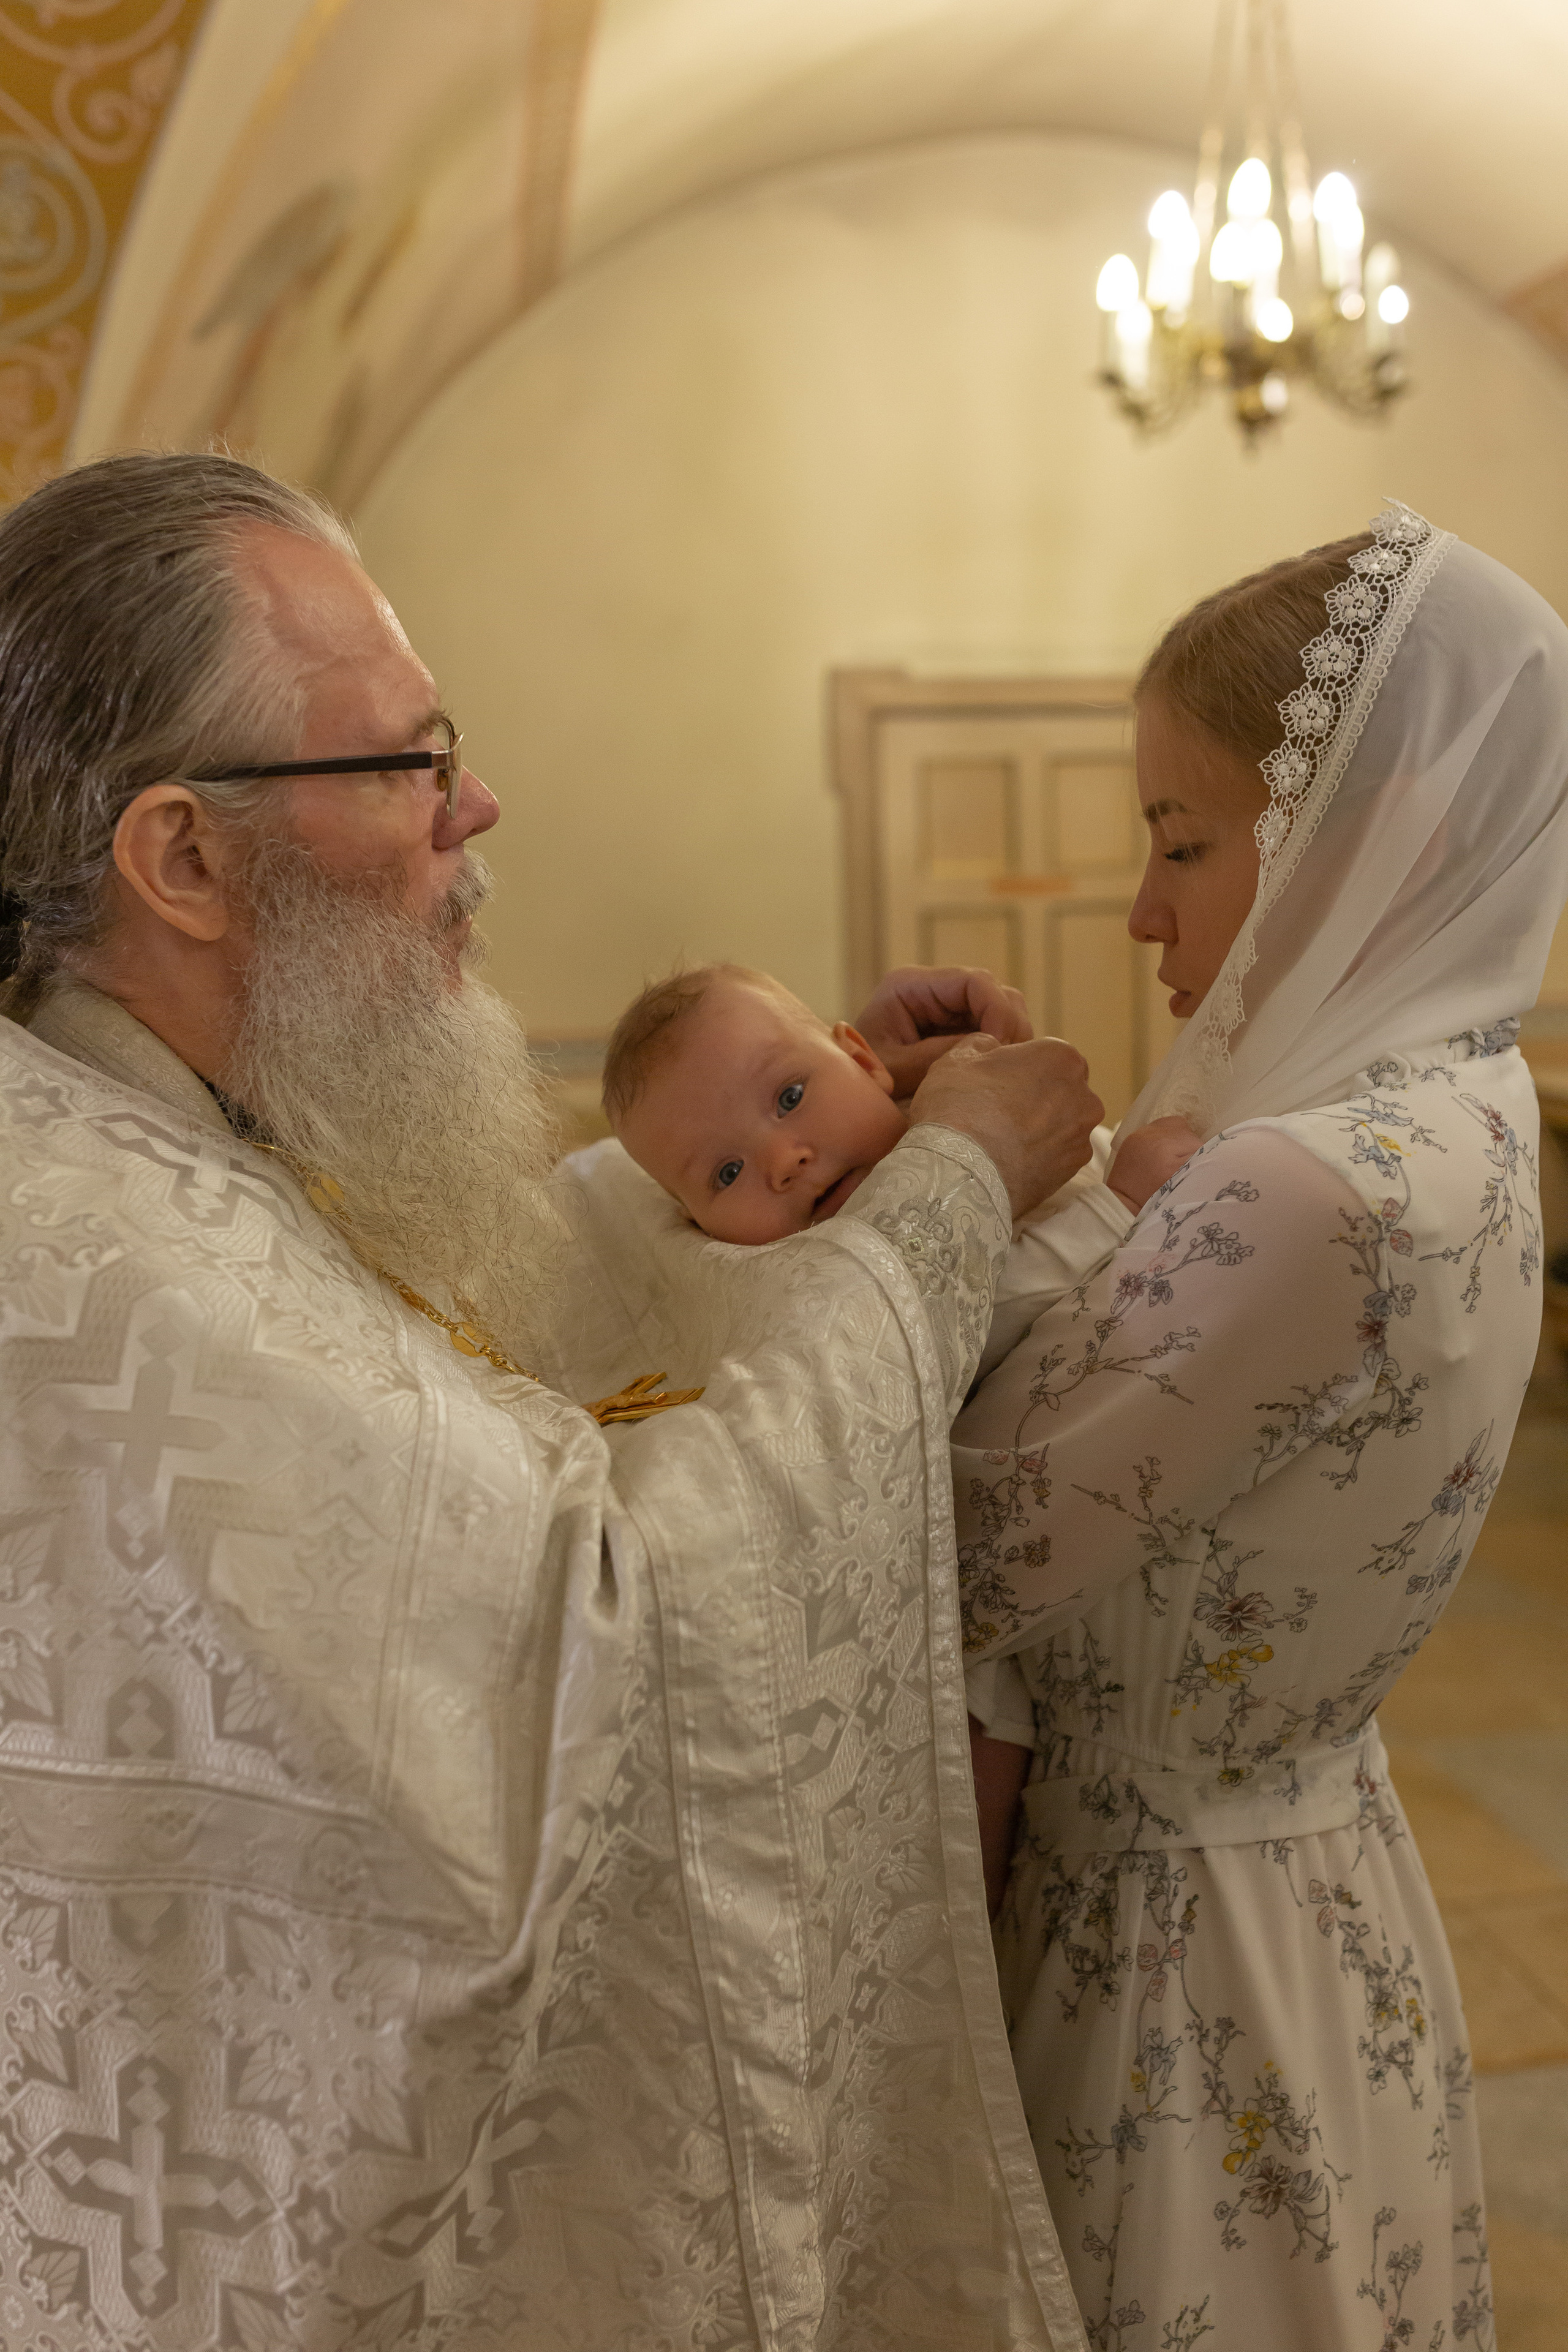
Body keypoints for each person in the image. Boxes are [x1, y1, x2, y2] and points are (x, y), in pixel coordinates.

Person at [0, 453, 1107, 2349]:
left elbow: (472, 1343)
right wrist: (942, 1198)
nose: (477, 805)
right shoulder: (98, 1256)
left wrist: (807, 1120)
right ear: (180, 858)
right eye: (410, 762)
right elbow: (604, 1627)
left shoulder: (151, 1116)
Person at [956, 503, 1568, 2351]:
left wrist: (923, 1187)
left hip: (1166, 1955)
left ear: (1365, 842)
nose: (1141, 907)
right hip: (1313, 1879)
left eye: (1183, 840)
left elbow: (954, 1544)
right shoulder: (1469, 1108)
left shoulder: (1308, 1189)